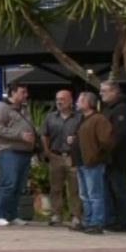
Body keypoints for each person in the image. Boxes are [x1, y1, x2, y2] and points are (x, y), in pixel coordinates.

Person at [0, 83, 37, 227]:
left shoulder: (24, 109)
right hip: (9, 151)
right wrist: (19, 135)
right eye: (23, 92)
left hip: (25, 152)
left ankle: (12, 214)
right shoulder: (2, 108)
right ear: (13, 93)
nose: (26, 95)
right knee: (9, 183)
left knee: (19, 185)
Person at [40, 89, 83, 228]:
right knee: (55, 187)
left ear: (71, 101)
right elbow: (44, 134)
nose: (59, 101)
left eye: (63, 99)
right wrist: (47, 151)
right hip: (55, 155)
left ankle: (76, 216)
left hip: (72, 157)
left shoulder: (79, 117)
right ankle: (56, 215)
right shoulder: (50, 117)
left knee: (74, 188)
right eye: (57, 98)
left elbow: (84, 135)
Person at [74, 91, 115, 235]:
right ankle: (88, 221)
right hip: (81, 162)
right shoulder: (82, 119)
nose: (77, 103)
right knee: (85, 194)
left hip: (92, 162)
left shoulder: (99, 119)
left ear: (87, 102)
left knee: (95, 194)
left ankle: (96, 223)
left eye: (79, 100)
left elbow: (106, 141)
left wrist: (97, 156)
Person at [99, 81, 126, 233]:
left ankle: (122, 221)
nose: (101, 94)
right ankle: (111, 219)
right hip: (107, 158)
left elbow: (119, 135)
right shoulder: (109, 109)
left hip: (116, 157)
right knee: (107, 190)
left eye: (104, 91)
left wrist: (106, 150)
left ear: (114, 92)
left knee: (118, 189)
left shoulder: (122, 109)